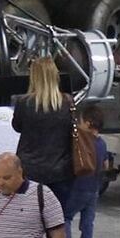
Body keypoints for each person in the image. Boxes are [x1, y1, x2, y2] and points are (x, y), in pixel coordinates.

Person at [11, 56, 76, 212]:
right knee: (59, 220)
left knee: (29, 220)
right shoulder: (67, 102)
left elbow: (17, 126)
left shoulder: (24, 102)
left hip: (30, 170)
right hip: (60, 170)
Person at [63, 106, 107, 238]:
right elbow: (105, 165)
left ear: (88, 123)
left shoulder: (84, 143)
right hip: (94, 189)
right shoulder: (102, 144)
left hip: (79, 187)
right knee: (88, 224)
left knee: (65, 217)